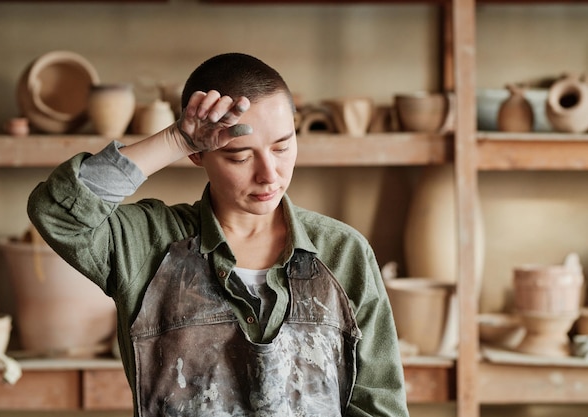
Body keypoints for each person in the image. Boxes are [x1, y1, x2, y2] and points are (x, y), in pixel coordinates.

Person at [27, 52, 409, 417]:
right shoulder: (150, 244)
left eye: (283, 146)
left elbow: (378, 404)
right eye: (240, 157)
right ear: (198, 154)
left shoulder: (342, 252)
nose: (269, 174)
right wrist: (174, 139)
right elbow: (58, 213)